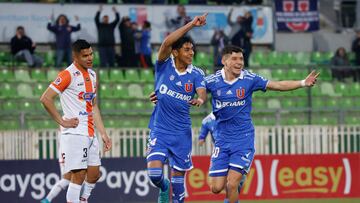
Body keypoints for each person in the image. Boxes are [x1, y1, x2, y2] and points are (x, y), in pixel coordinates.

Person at [205, 45, 319, 203]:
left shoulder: (250, 79)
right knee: (216, 188)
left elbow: (277, 85)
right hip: (222, 140)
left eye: (241, 59)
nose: (239, 62)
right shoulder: (212, 81)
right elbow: (188, 90)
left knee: (231, 185)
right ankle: (237, 183)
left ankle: (236, 183)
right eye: (235, 59)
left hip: (243, 139)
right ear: (224, 61)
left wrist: (302, 83)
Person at [40, 39, 112, 203]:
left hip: (91, 133)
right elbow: (45, 98)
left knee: (94, 175)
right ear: (75, 56)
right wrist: (62, 121)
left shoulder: (93, 75)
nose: (89, 58)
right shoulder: (67, 74)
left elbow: (93, 107)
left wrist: (104, 134)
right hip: (74, 133)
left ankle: (83, 199)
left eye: (91, 54)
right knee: (78, 176)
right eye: (85, 55)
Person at [146, 13, 208, 203]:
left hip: (181, 133)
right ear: (175, 52)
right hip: (160, 129)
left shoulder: (196, 73)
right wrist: (191, 24)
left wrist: (200, 99)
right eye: (187, 49)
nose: (191, 53)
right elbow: (165, 43)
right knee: (155, 174)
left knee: (179, 188)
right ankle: (164, 187)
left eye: (192, 50)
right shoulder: (164, 66)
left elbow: (201, 91)